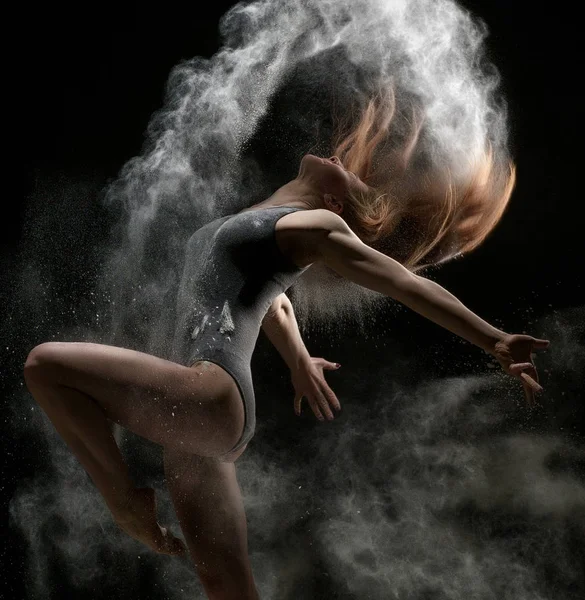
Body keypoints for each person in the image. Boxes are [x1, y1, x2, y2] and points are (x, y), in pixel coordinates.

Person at [23, 91, 550, 600]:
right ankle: (131, 504)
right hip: (195, 429)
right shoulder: (258, 224)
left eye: (350, 174)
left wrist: (495, 339)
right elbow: (273, 300)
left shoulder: (319, 226)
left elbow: (405, 285)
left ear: (334, 200)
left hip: (209, 394)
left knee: (46, 365)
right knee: (228, 591)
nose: (339, 155)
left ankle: (124, 503)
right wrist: (298, 359)